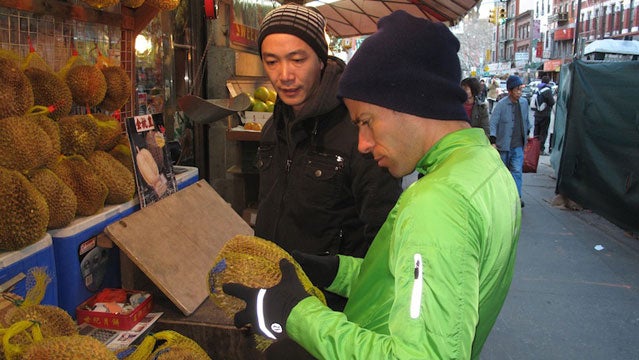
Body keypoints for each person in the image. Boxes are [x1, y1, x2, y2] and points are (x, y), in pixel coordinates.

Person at [224, 11, 521, 360]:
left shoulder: (439, 205)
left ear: (408, 102)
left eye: (366, 122)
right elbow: (400, 280)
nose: (362, 143)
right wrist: (334, 270)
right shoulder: (482, 167)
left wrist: (297, 312)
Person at [253, 4, 402, 310]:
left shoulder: (358, 130)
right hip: (276, 293)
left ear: (321, 60)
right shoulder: (272, 129)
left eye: (298, 59)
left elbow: (383, 230)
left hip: (334, 305)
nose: (284, 75)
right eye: (272, 61)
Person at [489, 75, 531, 208]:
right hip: (503, 145)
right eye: (517, 89)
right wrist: (493, 141)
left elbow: (527, 121)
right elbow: (493, 123)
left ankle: (516, 197)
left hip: (518, 145)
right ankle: (501, 197)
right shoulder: (501, 105)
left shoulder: (524, 103)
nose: (519, 92)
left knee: (517, 171)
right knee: (502, 173)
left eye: (520, 89)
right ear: (510, 90)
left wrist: (529, 133)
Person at [532, 75, 556, 155]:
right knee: (543, 132)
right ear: (548, 82)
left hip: (536, 114)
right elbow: (552, 102)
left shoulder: (537, 89)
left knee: (536, 132)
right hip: (545, 114)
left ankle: (534, 148)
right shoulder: (547, 90)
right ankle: (540, 149)